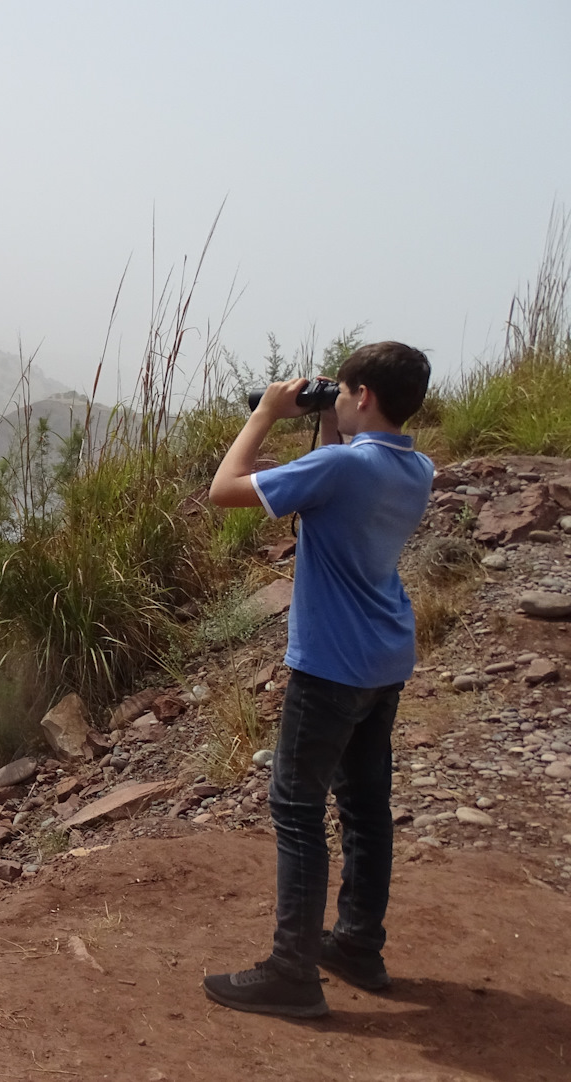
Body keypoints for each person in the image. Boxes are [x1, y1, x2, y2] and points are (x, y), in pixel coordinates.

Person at [201, 341, 434, 1018]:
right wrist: (332, 421)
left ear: (361, 395)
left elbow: (225, 490)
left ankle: (292, 972)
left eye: (345, 394)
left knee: (298, 810)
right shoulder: (416, 468)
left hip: (330, 664)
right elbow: (334, 479)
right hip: (385, 659)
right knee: (364, 806)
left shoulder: (340, 468)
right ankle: (358, 943)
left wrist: (268, 414)